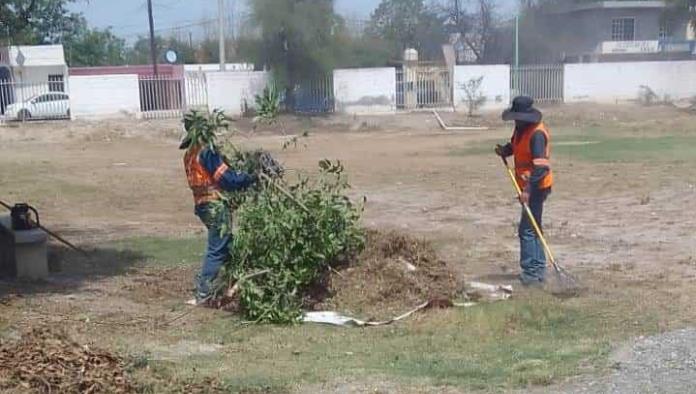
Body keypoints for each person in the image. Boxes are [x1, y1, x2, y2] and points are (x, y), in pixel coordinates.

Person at [179, 122, 257, 305]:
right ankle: (204, 292)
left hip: (202, 205)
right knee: (217, 248)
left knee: (227, 244)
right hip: (215, 205)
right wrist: (249, 177)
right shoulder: (207, 152)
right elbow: (227, 180)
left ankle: (232, 281)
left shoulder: (190, 155)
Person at [495, 96, 553, 286]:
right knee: (533, 228)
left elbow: (541, 167)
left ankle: (531, 273)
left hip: (537, 186)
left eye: (517, 118)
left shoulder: (537, 134)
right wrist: (505, 150)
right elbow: (515, 146)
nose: (515, 121)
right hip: (528, 185)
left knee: (527, 230)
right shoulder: (521, 129)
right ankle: (538, 269)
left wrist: (528, 191)